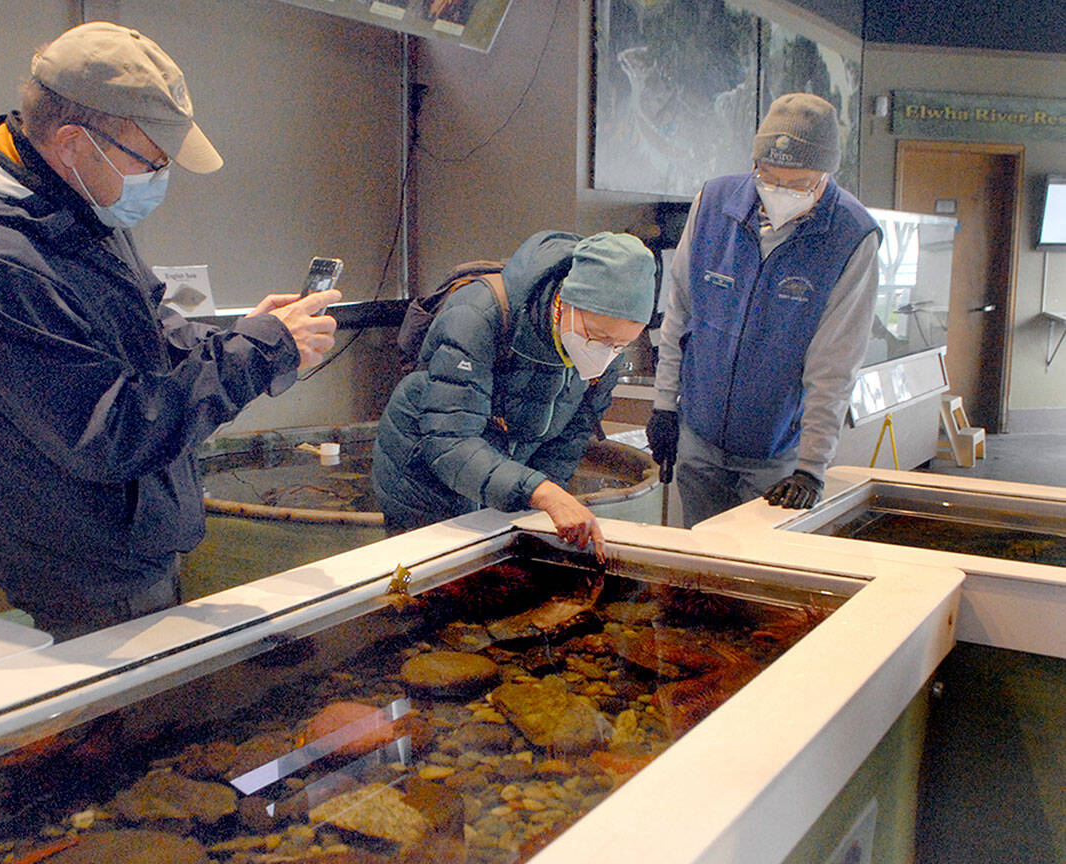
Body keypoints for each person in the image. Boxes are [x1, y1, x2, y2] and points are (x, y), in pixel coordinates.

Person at [0, 22, 339, 640]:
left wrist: (247, 336)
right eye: (151, 160)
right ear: (74, 141)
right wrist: (256, 355)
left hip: (137, 537)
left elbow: (150, 331)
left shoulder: (69, 206)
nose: (159, 177)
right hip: (85, 566)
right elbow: (111, 431)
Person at [647, 92, 881, 528]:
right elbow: (678, 313)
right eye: (770, 176)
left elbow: (835, 364)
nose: (780, 191)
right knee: (699, 562)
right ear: (755, 163)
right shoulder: (713, 204)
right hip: (699, 436)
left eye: (797, 183)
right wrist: (665, 406)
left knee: (756, 574)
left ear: (826, 173)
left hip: (777, 455)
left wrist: (811, 466)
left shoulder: (851, 236)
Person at [372, 230, 655, 561]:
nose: (606, 352)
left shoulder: (603, 353)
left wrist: (543, 499)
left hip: (505, 468)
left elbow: (568, 440)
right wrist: (541, 492)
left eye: (620, 345)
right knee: (435, 587)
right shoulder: (479, 314)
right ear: (568, 301)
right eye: (598, 336)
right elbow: (450, 442)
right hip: (422, 474)